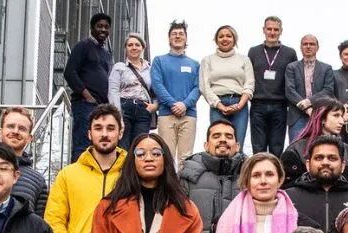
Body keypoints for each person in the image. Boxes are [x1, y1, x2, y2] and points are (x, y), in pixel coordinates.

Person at [45, 105, 127, 233]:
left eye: (110, 128)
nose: (104, 134)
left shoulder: (131, 176)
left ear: (120, 133)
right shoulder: (68, 175)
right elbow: (54, 221)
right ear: (89, 134)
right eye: (98, 128)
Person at [180, 122, 245, 233]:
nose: (222, 139)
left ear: (237, 146)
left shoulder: (251, 176)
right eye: (216, 136)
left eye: (229, 136)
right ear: (206, 145)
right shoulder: (187, 176)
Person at [151, 20, 199, 170]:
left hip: (188, 114)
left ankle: (183, 191)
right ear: (169, 38)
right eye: (174, 34)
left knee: (186, 158)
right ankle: (166, 192)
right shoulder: (159, 61)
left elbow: (198, 88)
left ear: (186, 38)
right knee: (167, 156)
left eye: (181, 34)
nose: (177, 36)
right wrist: (173, 104)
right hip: (166, 114)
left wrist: (185, 104)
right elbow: (157, 85)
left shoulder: (195, 64)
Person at [66, 13, 114, 162]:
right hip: (84, 104)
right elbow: (69, 72)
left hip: (100, 106)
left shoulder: (106, 53)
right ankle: (76, 181)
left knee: (96, 145)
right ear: (92, 28)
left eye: (106, 27)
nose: (103, 30)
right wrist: (86, 95)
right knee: (82, 144)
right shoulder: (83, 46)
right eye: (99, 26)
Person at [287, 136, 348, 233]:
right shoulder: (288, 199)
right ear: (308, 165)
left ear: (343, 165)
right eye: (319, 158)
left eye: (332, 158)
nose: (325, 162)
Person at [281, 99, 348, 187]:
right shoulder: (296, 150)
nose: (342, 121)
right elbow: (287, 190)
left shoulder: (347, 150)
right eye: (336, 115)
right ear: (322, 118)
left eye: (342, 116)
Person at [247, 16, 297, 156]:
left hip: (280, 105)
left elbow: (293, 78)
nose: (272, 32)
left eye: (276, 29)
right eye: (269, 29)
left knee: (277, 146)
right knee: (258, 146)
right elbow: (248, 77)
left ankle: (274, 175)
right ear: (263, 30)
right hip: (258, 104)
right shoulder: (253, 51)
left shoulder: (290, 53)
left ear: (281, 31)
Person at [200, 25, 253, 144]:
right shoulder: (207, 60)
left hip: (239, 104)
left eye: (228, 36)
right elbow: (204, 86)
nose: (225, 39)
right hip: (217, 105)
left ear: (234, 39)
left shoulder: (244, 59)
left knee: (237, 145)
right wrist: (220, 106)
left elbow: (249, 84)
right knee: (219, 145)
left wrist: (239, 105)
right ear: (216, 40)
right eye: (221, 36)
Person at [108, 34, 158, 150]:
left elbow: (157, 90)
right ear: (126, 48)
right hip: (124, 107)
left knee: (139, 147)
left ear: (143, 48)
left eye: (137, 45)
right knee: (123, 146)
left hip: (144, 110)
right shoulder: (119, 67)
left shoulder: (151, 69)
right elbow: (113, 91)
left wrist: (155, 106)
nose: (134, 47)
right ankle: (123, 169)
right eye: (130, 45)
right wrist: (117, 113)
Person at [285, 34, 336, 142]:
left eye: (312, 44)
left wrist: (309, 101)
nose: (308, 46)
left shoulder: (326, 68)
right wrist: (307, 108)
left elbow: (328, 90)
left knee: (319, 148)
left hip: (319, 114)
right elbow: (289, 91)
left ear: (317, 47)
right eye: (305, 44)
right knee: (296, 149)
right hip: (297, 116)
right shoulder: (291, 67)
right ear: (300, 47)